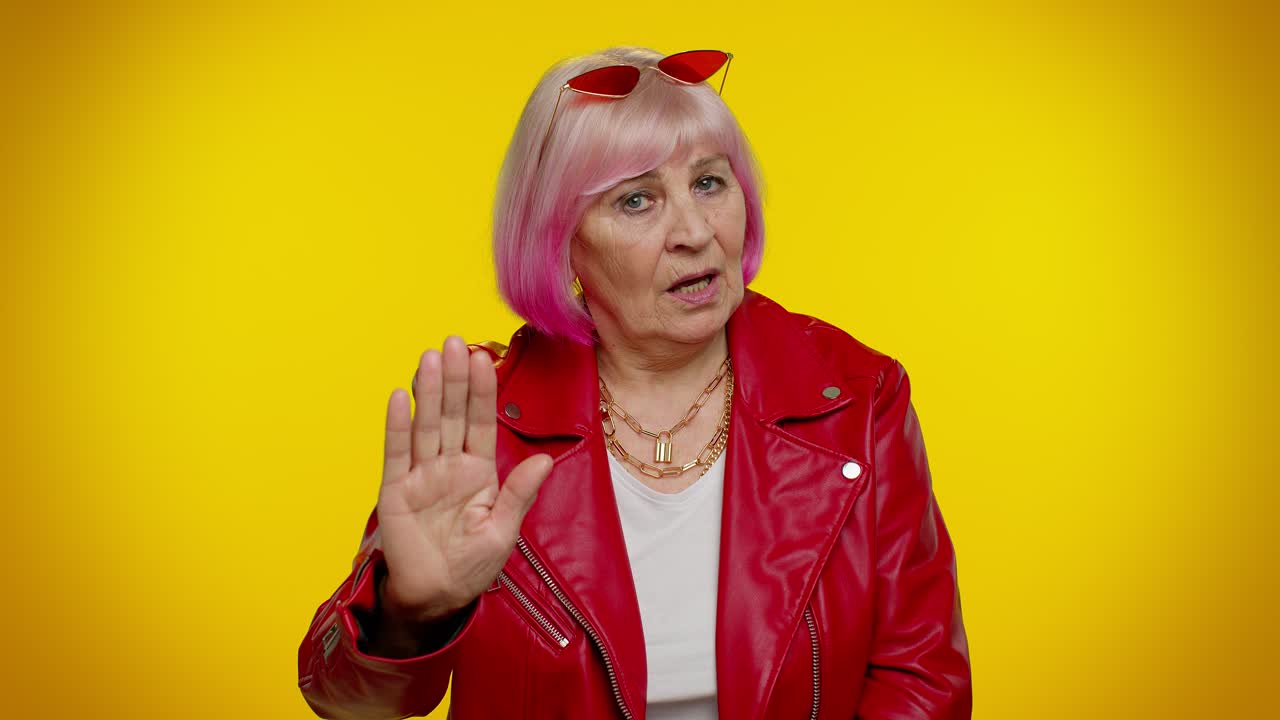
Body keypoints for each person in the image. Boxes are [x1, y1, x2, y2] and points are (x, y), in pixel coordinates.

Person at [297, 46, 972, 719]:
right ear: (561, 241)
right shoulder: (485, 422)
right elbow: (343, 699)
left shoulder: (859, 397)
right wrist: (409, 612)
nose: (695, 232)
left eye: (709, 182)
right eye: (637, 200)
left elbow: (923, 681)